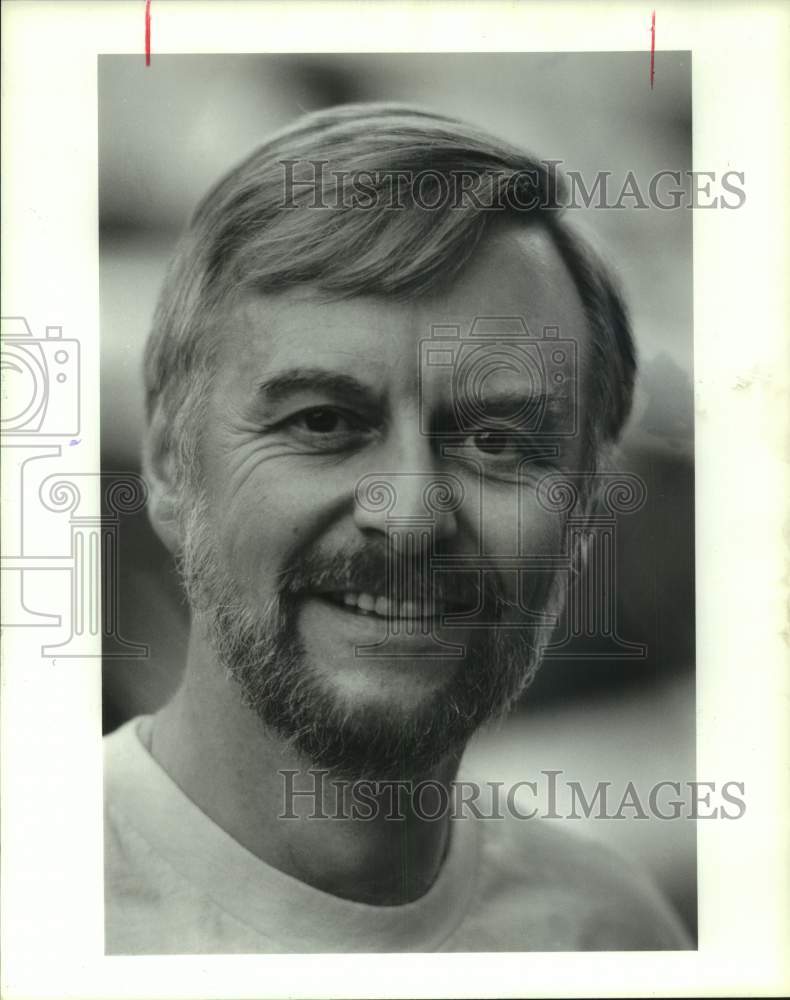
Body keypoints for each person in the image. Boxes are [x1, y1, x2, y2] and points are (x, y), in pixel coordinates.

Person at [104, 103, 691, 953]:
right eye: (322, 422)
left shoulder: (614, 936)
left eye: (496, 442)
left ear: (589, 505)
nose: (411, 515)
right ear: (167, 462)